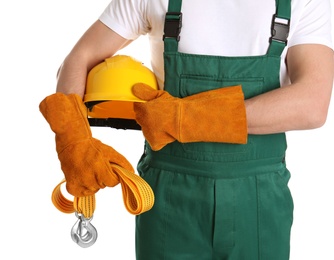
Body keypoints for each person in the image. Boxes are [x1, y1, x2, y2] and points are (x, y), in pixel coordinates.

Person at [40, 0, 334, 259]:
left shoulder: (303, 2)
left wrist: (183, 117)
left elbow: (312, 103)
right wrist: (73, 140)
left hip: (258, 202)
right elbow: (78, 59)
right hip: (168, 198)